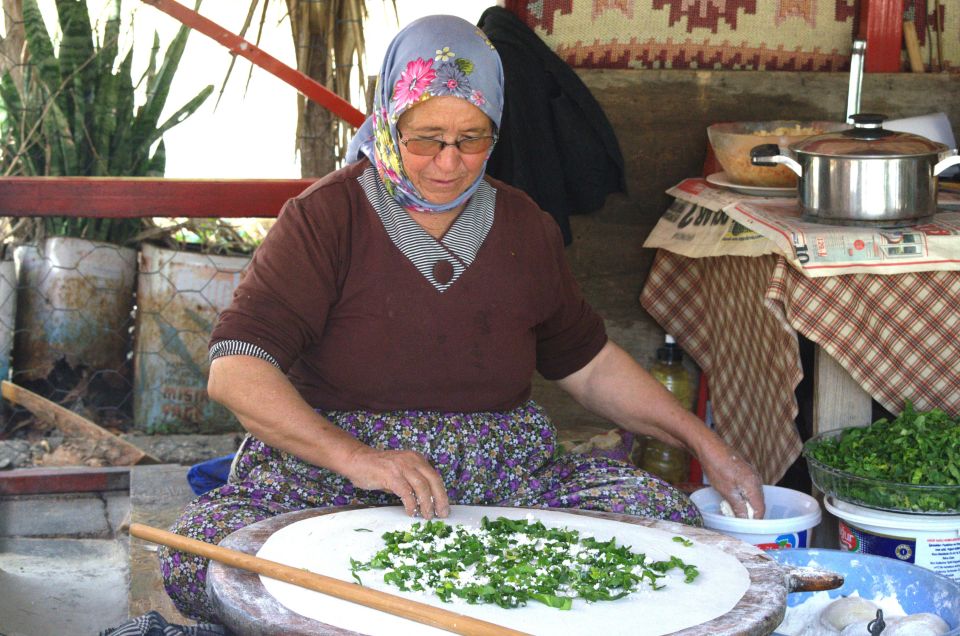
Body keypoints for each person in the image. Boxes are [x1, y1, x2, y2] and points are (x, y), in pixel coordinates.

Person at [158, 14, 765, 622]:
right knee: (203, 556)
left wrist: (701, 440)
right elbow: (236, 370)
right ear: (389, 120)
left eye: (472, 138)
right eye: (426, 138)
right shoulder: (326, 218)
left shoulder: (525, 224)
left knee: (666, 524)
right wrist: (359, 459)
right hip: (341, 476)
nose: (448, 163)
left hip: (503, 475)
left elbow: (588, 364)